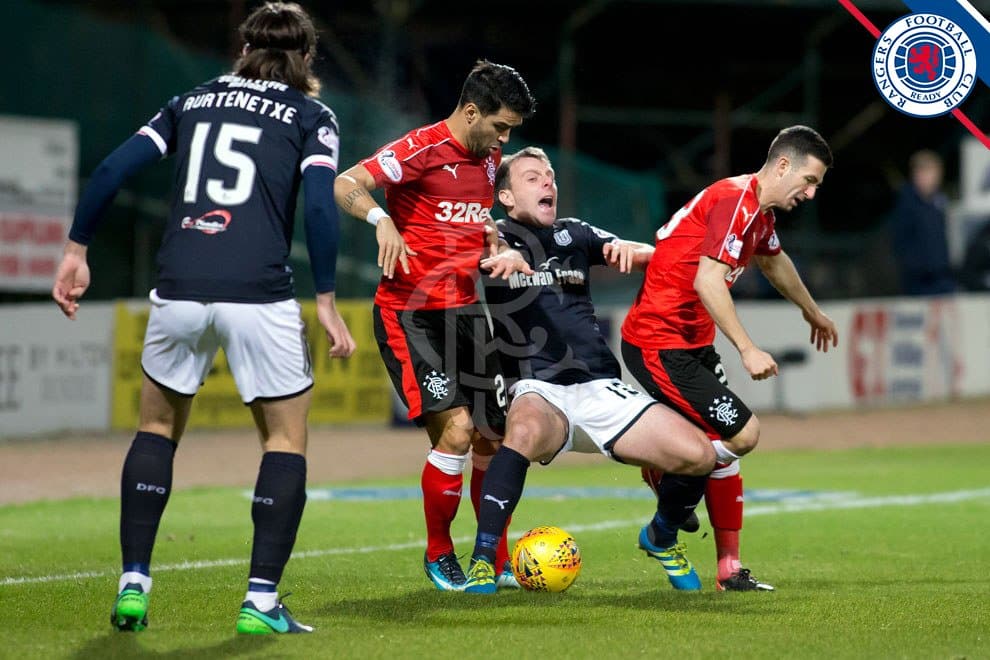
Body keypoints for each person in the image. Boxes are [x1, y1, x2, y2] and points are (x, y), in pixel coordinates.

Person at [51, 2, 354, 634]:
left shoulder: (189, 101)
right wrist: (325, 298)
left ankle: (134, 580)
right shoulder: (311, 115)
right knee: (283, 440)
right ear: (307, 58)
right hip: (259, 292)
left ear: (243, 47)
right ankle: (261, 602)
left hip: (180, 286)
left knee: (156, 430)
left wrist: (77, 249)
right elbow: (321, 210)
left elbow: (112, 169)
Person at [458, 146, 716, 594]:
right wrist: (496, 254)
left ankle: (661, 536)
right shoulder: (490, 234)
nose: (548, 184)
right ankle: (482, 560)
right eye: (534, 178)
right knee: (518, 435)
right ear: (505, 196)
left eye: (551, 176)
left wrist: (630, 250)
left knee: (701, 456)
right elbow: (473, 242)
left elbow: (647, 254)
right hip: (539, 390)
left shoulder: (573, 234)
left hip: (600, 386)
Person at [333, 60, 537, 591]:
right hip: (412, 315)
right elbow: (346, 182)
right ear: (471, 111)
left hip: (469, 314)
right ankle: (438, 553)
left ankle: (492, 555)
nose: (505, 138)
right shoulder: (419, 149)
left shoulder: (488, 155)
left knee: (494, 435)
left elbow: (467, 213)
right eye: (500, 126)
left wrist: (491, 235)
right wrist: (381, 219)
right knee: (457, 431)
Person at [622, 125, 839, 592]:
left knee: (725, 447)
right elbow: (707, 281)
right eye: (810, 180)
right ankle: (663, 510)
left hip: (692, 343)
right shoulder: (734, 201)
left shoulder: (757, 213)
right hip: (658, 341)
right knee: (742, 434)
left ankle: (728, 569)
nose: (812, 193)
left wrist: (812, 311)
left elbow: (773, 261)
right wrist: (747, 347)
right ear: (783, 166)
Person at [888, 149, 955, 296]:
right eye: (923, 172)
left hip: (943, 278)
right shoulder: (906, 205)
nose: (928, 178)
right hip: (919, 282)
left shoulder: (941, 203)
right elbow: (899, 242)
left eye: (932, 172)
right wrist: (920, 267)